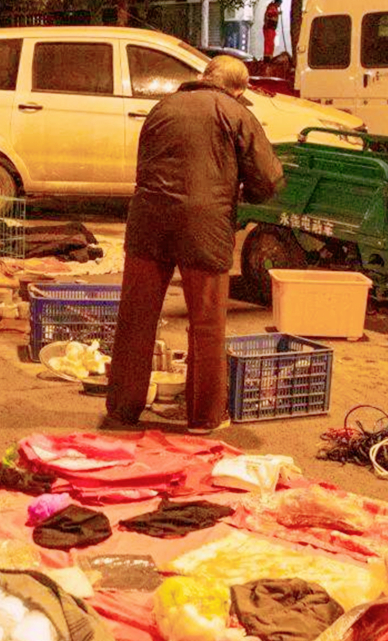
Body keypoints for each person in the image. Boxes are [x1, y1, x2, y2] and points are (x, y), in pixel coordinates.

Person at [106, 56, 283, 434]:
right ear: (238, 89)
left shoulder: (162, 107)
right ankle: (204, 418)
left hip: (148, 222)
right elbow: (268, 178)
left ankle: (123, 409)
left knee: (136, 319)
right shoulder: (234, 112)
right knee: (206, 325)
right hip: (204, 224)